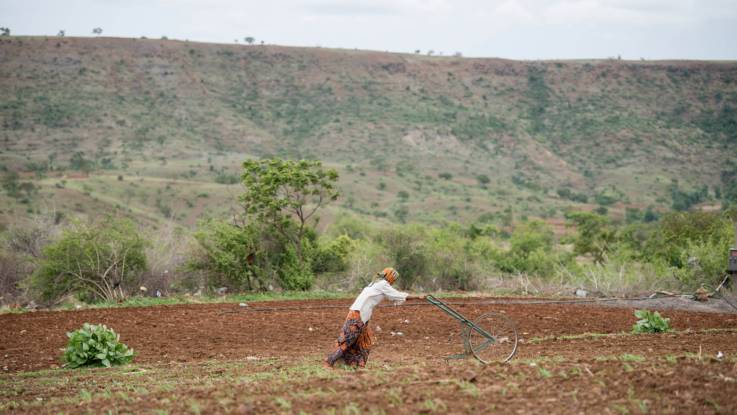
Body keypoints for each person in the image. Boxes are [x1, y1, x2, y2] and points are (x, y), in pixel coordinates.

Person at [325, 267, 421, 368]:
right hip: (358, 315)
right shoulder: (383, 284)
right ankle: (329, 362)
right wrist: (418, 297)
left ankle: (356, 364)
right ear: (390, 277)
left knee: (364, 342)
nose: (393, 281)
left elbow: (392, 297)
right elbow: (397, 295)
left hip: (362, 316)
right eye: (394, 278)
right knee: (348, 341)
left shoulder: (375, 283)